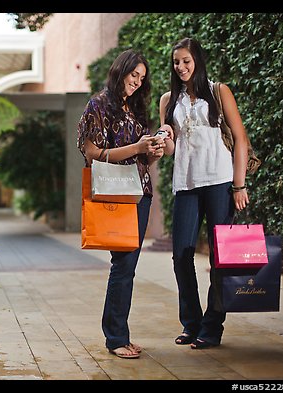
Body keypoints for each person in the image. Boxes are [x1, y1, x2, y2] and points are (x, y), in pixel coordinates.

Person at [77, 49, 174, 359]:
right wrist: (135, 147)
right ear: (121, 71)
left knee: (127, 267)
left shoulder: (136, 108)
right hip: (113, 193)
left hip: (140, 193)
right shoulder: (98, 105)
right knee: (123, 266)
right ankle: (116, 337)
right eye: (134, 75)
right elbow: (91, 151)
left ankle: (119, 334)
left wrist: (152, 150)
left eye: (141, 78)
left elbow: (141, 155)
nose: (136, 82)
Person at [159, 37, 251, 349]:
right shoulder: (168, 100)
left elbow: (240, 139)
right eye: (176, 62)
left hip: (220, 181)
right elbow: (172, 149)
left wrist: (239, 185)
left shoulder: (218, 91)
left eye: (186, 60)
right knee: (181, 254)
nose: (180, 67)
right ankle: (191, 322)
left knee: (220, 256)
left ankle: (212, 326)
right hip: (186, 183)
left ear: (197, 60)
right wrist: (164, 138)